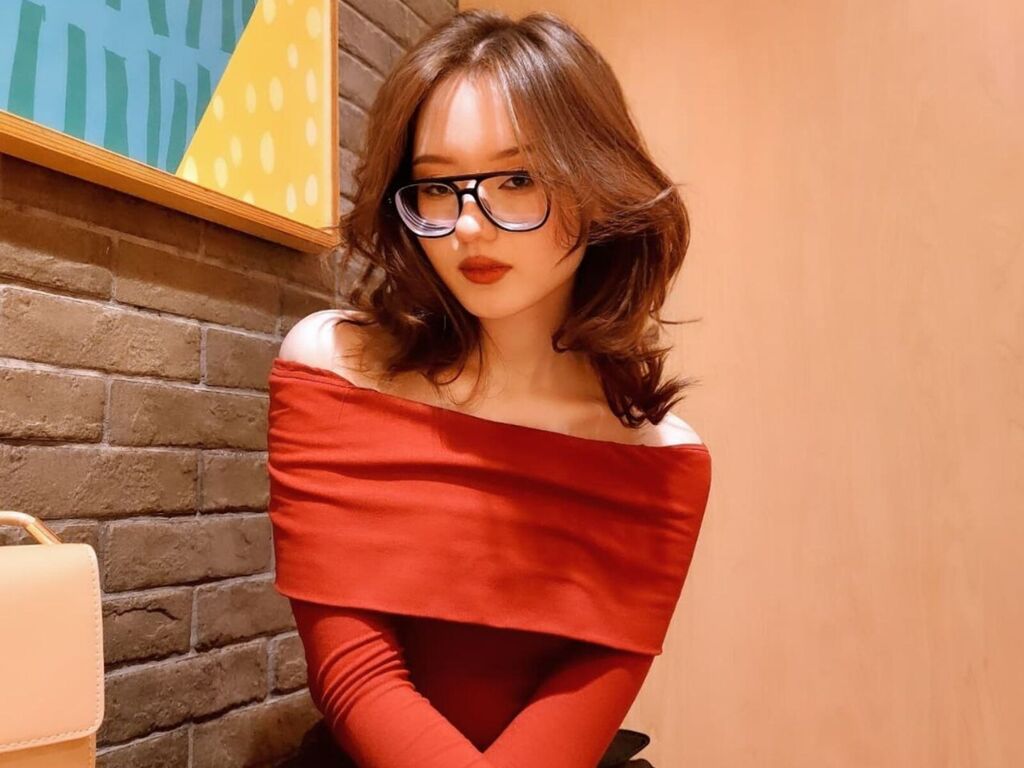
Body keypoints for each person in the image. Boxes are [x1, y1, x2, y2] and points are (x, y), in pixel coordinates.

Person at [266, 9, 713, 767]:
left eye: (517, 179)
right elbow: (355, 675)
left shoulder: (663, 462)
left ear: (597, 186)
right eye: (437, 186)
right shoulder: (332, 371)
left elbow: (588, 695)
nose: (468, 225)